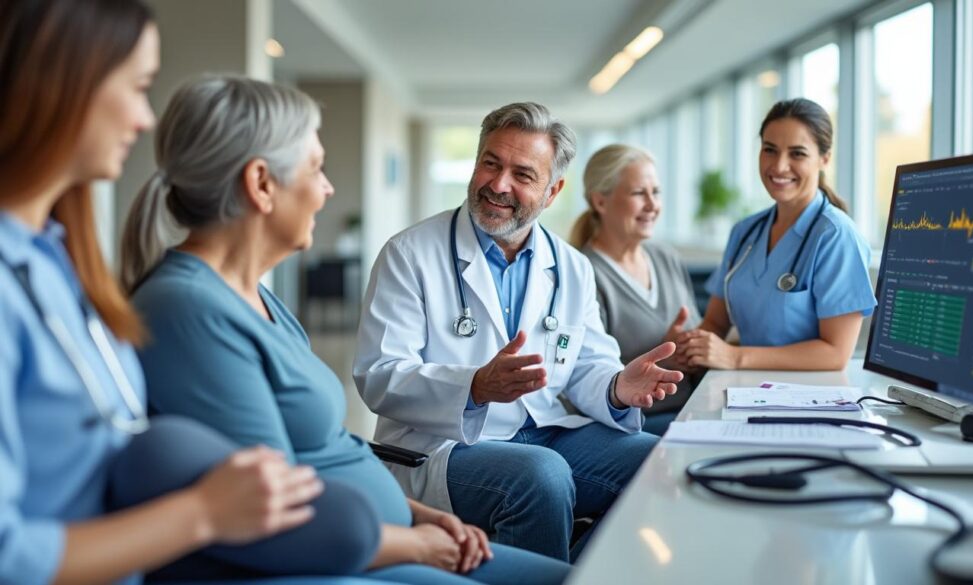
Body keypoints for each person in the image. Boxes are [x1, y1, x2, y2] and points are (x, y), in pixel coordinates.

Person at [122, 75, 570, 585]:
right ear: (262, 184)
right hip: (338, 561)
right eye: (316, 168)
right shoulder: (188, 311)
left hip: (383, 534)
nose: (328, 189)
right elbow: (269, 511)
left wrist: (421, 517)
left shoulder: (259, 300)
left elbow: (328, 449)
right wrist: (416, 544)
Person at [0, 2, 389, 585]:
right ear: (58, 85)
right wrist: (201, 515)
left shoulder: (56, 261)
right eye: (138, 88)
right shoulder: (174, 303)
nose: (145, 120)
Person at [354, 102, 684, 562]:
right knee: (542, 476)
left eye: (523, 175)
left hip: (544, 429)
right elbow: (379, 373)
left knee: (655, 458)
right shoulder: (409, 254)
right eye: (490, 164)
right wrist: (475, 386)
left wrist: (616, 387)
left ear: (552, 192)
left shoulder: (571, 267)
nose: (498, 184)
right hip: (445, 444)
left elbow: (586, 363)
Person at [684, 98, 876, 371]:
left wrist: (736, 357)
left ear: (824, 159)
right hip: (743, 385)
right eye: (770, 150)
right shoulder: (745, 232)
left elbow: (835, 354)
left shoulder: (836, 236)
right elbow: (715, 323)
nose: (779, 166)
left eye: (797, 153)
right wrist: (687, 347)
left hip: (806, 392)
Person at [569, 145, 703, 436]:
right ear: (600, 201)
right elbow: (580, 376)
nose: (653, 205)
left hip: (692, 408)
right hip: (633, 426)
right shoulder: (582, 273)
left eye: (656, 192)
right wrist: (665, 360)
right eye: (639, 193)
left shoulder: (666, 257)